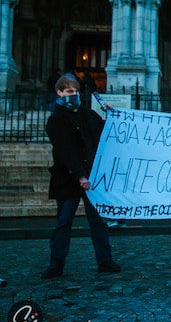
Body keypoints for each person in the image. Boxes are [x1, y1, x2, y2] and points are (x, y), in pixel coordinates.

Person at [41, 75, 121, 279]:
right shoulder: (55, 120)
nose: (74, 95)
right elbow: (65, 151)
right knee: (64, 222)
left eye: (75, 91)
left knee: (98, 221)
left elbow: (105, 130)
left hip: (90, 178)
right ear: (59, 93)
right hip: (69, 179)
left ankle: (105, 260)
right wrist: (79, 176)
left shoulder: (87, 115)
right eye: (69, 91)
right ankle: (56, 264)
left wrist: (112, 115)